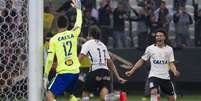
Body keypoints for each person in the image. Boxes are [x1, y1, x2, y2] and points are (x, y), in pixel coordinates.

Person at [126, 28, 180, 101]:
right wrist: (131, 71)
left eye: (160, 36)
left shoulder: (169, 49)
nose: (158, 37)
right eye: (157, 36)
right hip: (154, 76)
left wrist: (174, 71)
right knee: (153, 92)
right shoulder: (150, 48)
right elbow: (142, 60)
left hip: (165, 77)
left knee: (172, 99)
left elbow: (171, 63)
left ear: (164, 37)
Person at [43, 0, 82, 101]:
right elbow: (79, 22)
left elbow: (50, 59)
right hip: (76, 72)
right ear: (67, 24)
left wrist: (45, 75)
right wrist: (79, 10)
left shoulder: (54, 39)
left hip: (64, 72)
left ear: (57, 25)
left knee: (49, 96)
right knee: (69, 96)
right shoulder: (73, 33)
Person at [79, 26, 126, 101]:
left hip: (95, 70)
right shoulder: (103, 45)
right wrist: (118, 77)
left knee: (85, 94)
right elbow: (110, 63)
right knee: (104, 97)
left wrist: (73, 67)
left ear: (90, 35)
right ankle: (118, 96)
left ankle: (117, 96)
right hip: (105, 72)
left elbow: (81, 57)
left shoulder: (87, 43)